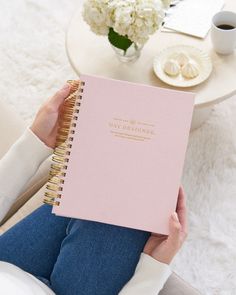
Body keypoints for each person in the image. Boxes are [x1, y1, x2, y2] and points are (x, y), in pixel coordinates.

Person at [0, 83, 188, 295]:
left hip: (8, 268)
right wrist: (152, 271)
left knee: (103, 174)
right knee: (131, 197)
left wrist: (34, 142)